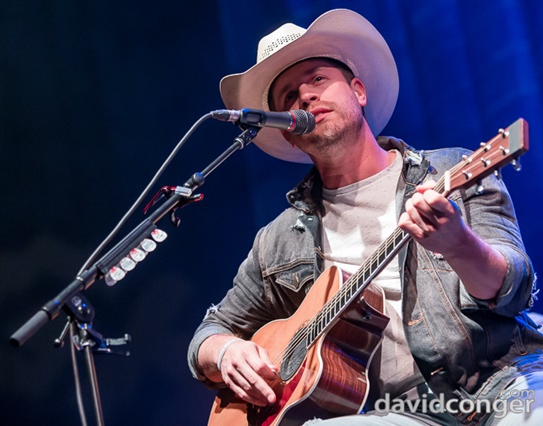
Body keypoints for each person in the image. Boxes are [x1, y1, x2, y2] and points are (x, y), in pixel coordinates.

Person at [188, 8, 543, 425]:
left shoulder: (452, 170)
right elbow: (208, 333)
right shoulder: (279, 240)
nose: (305, 96)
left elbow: (515, 289)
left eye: (318, 79)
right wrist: (226, 351)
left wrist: (458, 244)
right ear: (286, 129)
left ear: (358, 90)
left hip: (499, 385)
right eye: (288, 96)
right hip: (398, 414)